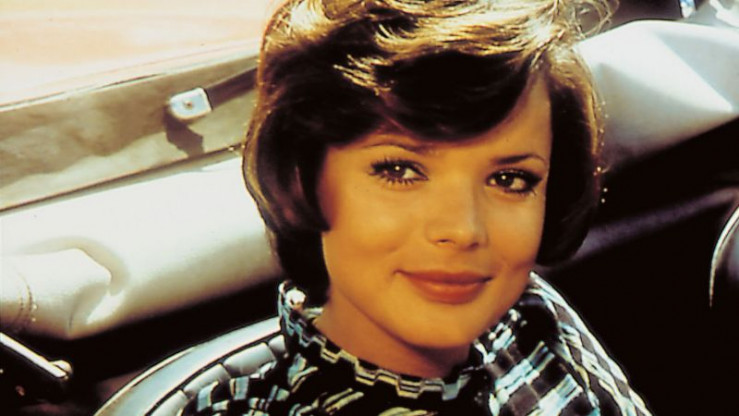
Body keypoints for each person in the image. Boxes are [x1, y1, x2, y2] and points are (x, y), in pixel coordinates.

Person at [185, 0, 651, 414]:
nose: (463, 229)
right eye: (399, 170)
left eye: (509, 179)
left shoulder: (535, 322)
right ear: (301, 178)